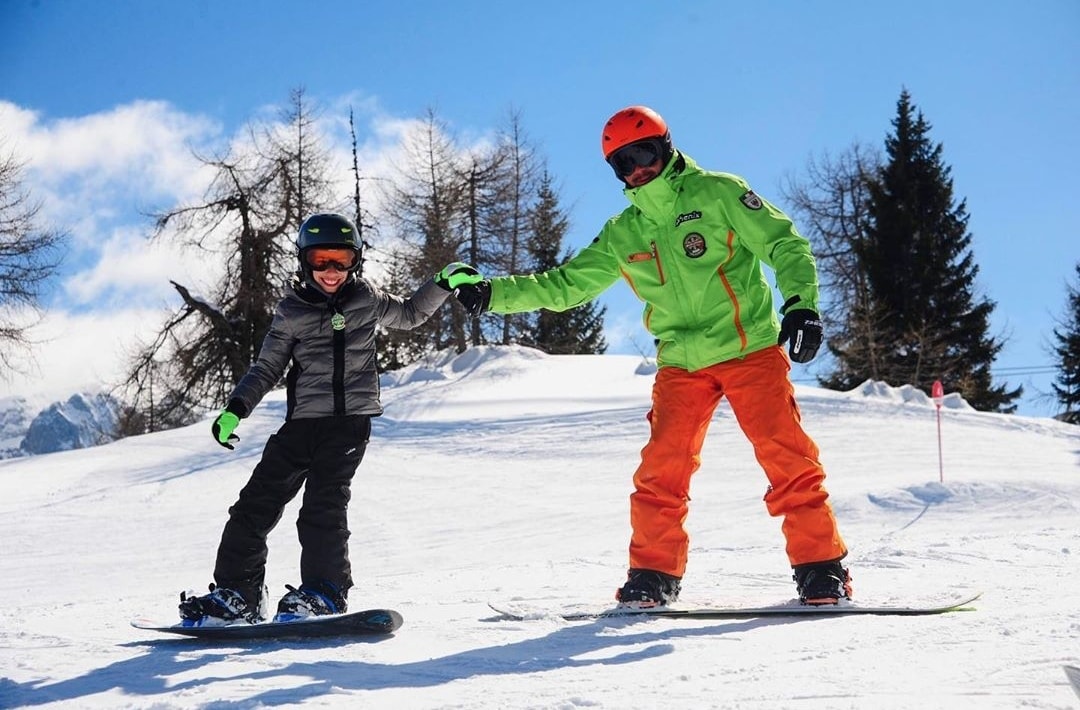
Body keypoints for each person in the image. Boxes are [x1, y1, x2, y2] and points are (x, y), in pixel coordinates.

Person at [454, 106, 851, 607]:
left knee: (786, 455)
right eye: (623, 163)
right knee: (661, 470)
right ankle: (653, 575)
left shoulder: (718, 192)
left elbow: (784, 244)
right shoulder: (624, 232)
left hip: (748, 348)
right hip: (681, 365)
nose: (637, 169)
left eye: (644, 154)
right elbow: (566, 285)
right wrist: (493, 294)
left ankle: (821, 568)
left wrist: (801, 304)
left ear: (666, 147)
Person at [179, 212, 482, 625]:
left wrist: (442, 282)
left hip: (348, 425)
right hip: (301, 424)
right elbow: (267, 367)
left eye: (342, 260)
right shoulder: (291, 311)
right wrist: (236, 409)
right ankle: (238, 594)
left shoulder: (366, 300)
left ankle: (325, 591)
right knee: (253, 505)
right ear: (305, 261)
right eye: (321, 260)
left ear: (355, 261)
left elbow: (411, 314)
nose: (331, 271)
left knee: (322, 506)